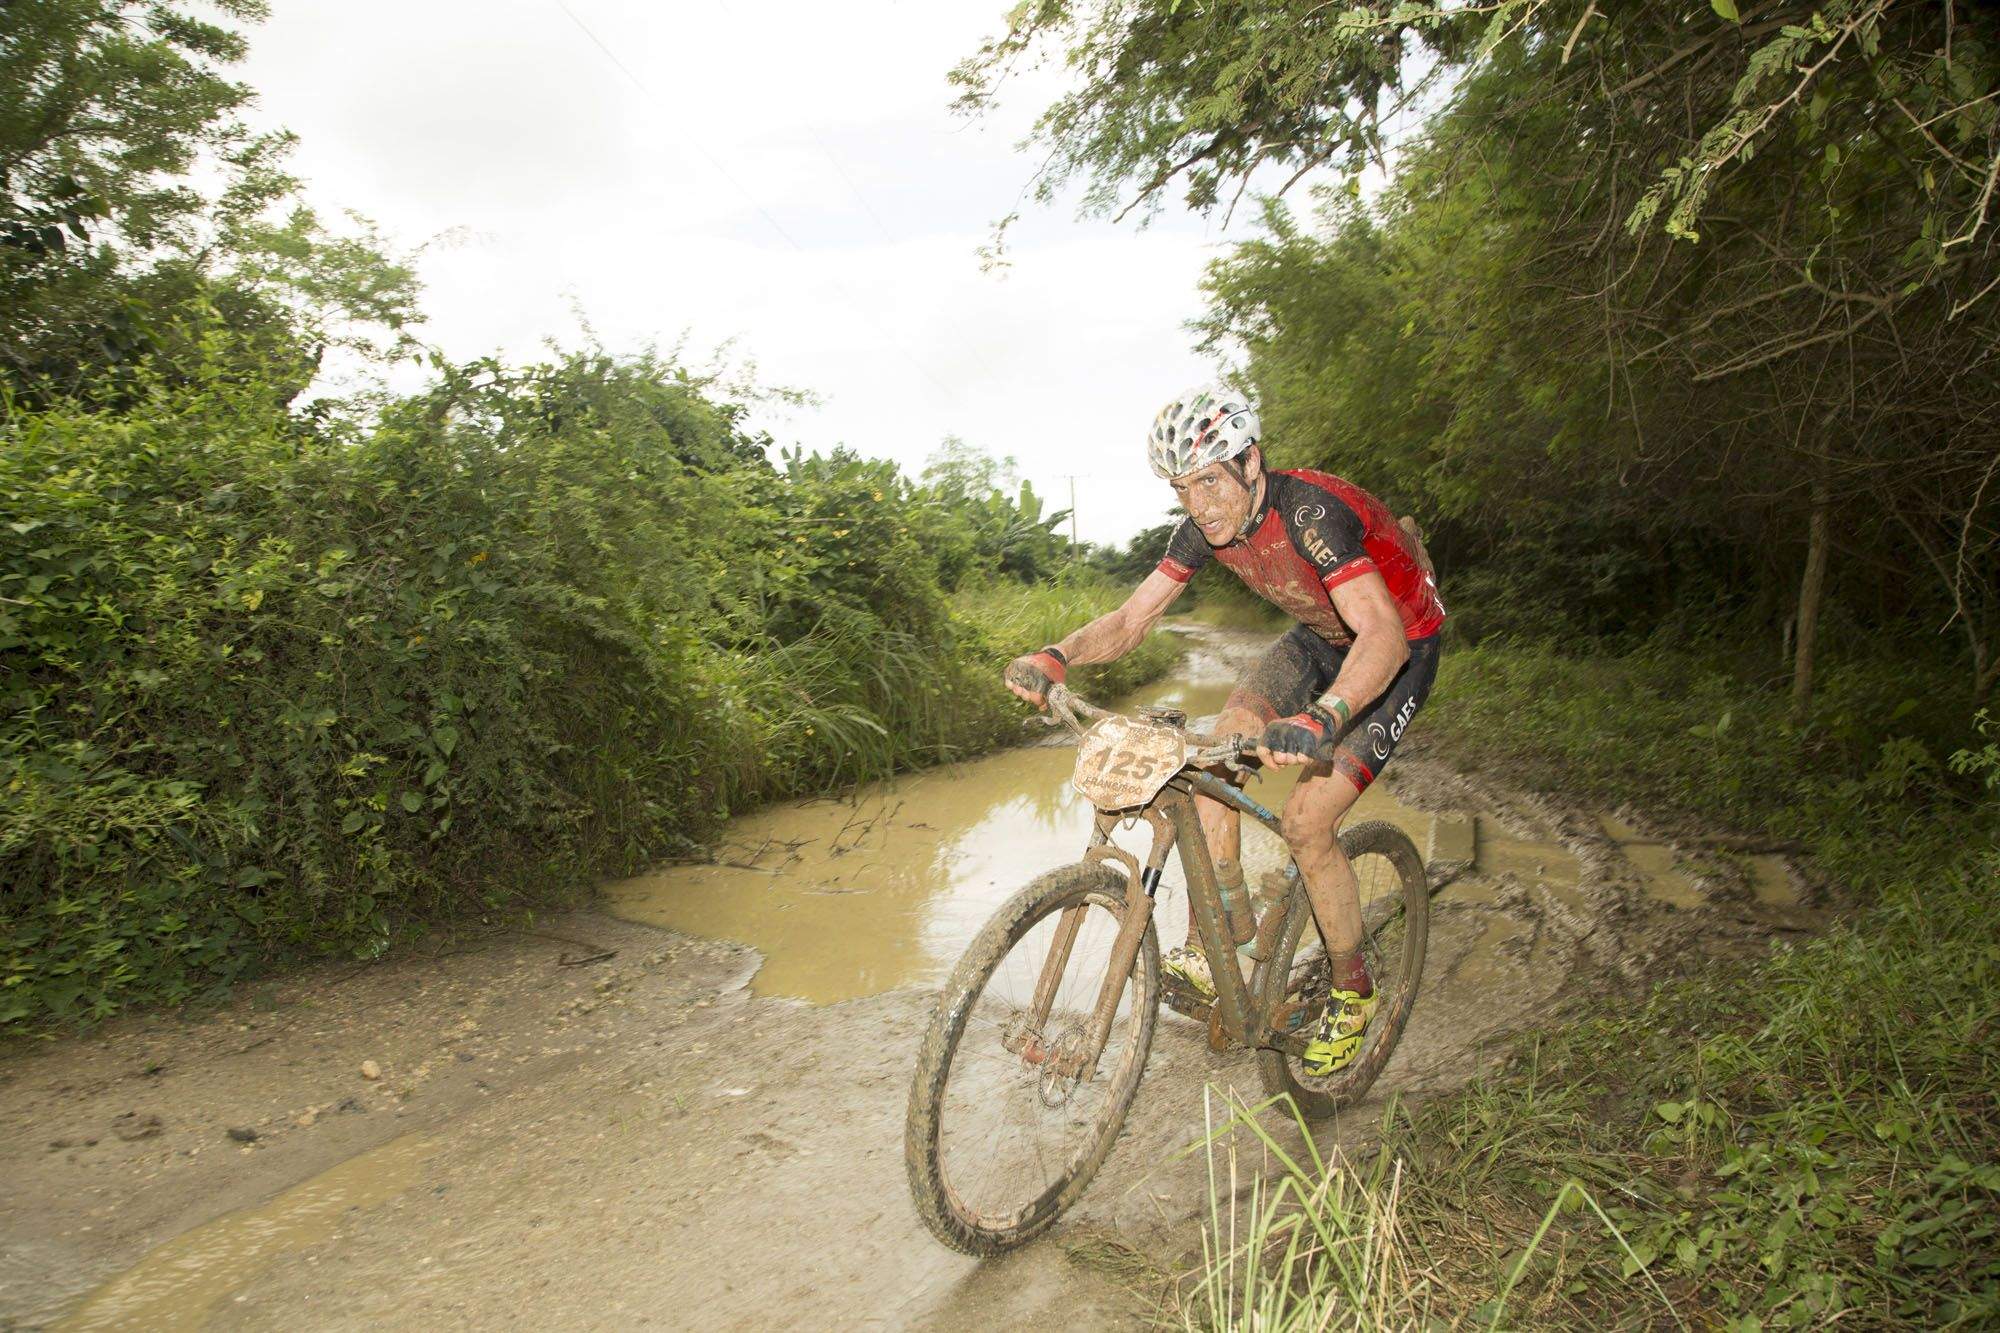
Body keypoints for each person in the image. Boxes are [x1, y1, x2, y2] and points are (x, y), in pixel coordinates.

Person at [1004, 385, 1443, 1076]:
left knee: (1306, 819)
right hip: (1317, 638)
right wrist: (1056, 654)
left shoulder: (1312, 513)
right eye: (1183, 488)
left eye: (1210, 480)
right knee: (1213, 759)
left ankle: (1353, 990)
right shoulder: (1201, 530)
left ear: (1249, 462)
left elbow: (1381, 635)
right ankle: (1230, 950)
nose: (1199, 504)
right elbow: (1130, 620)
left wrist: (1324, 714)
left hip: (1398, 648)